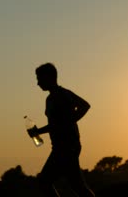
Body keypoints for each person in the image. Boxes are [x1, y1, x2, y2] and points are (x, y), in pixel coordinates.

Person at [28, 62, 95, 197]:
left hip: (66, 148)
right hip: (62, 147)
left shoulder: (61, 96)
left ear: (49, 77)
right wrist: (69, 121)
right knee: (77, 186)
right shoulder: (51, 98)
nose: (37, 83)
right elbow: (59, 123)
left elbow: (84, 107)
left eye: (39, 78)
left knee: (44, 181)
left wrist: (39, 131)